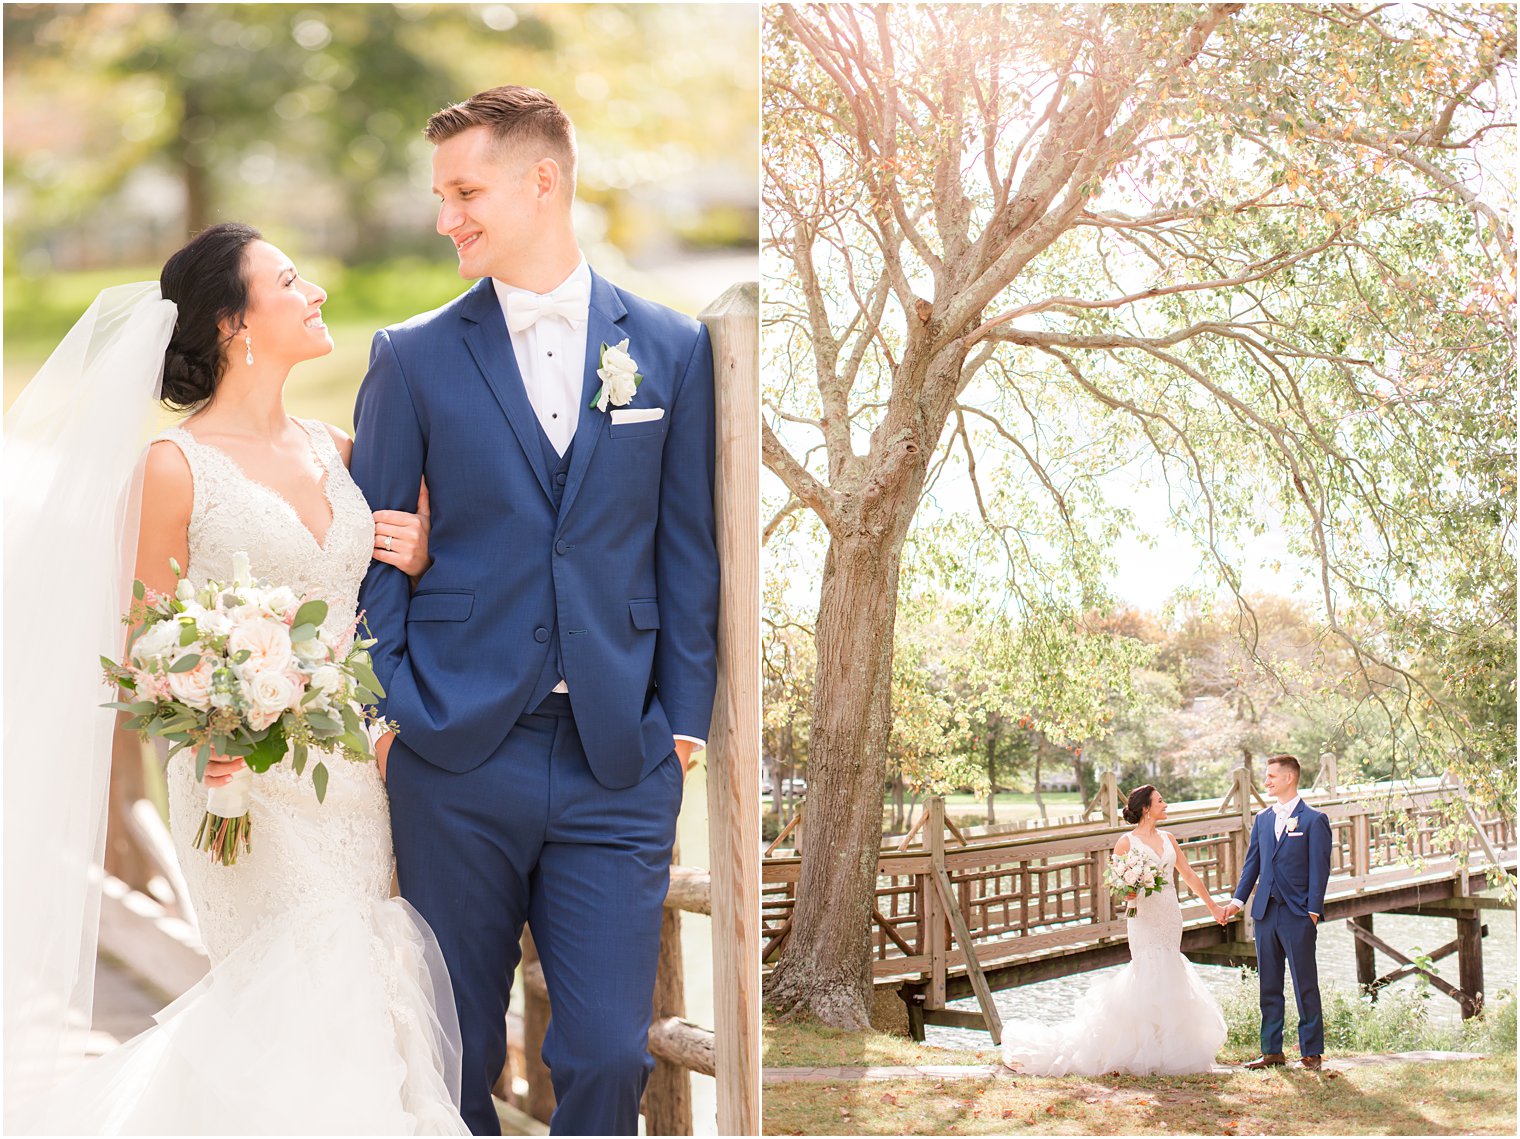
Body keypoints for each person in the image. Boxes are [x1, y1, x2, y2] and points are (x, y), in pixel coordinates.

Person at [3, 222, 468, 1133]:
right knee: (304, 984)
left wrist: (415, 550)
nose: (317, 292)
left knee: (363, 981)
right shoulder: (173, 469)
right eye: (290, 281)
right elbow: (143, 647)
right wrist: (223, 718)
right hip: (238, 782)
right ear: (233, 324)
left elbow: (376, 595)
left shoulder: (340, 448)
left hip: (348, 779)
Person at [350, 86, 719, 1136]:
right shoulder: (409, 355)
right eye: (440, 194)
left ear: (540, 181)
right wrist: (390, 716)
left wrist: (679, 727)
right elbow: (372, 552)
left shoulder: (668, 345)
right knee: (454, 1049)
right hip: (454, 753)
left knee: (606, 1050)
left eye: (463, 190)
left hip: (618, 758)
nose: (444, 216)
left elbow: (687, 551)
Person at [1000, 785, 1228, 1076]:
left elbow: (1189, 875)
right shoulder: (1126, 842)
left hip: (1170, 914)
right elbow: (1118, 883)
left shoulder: (1169, 839)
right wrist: (1129, 892)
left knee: (1170, 966)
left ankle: (1168, 1048)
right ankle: (1142, 1050)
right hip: (1143, 917)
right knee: (1147, 970)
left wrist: (1213, 907)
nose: (1166, 804)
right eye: (1160, 801)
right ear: (1146, 808)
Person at [1220, 753, 1332, 1070]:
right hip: (1265, 913)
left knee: (1304, 983)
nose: (1266, 781)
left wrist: (1312, 911)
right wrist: (1238, 902)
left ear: (1289, 778)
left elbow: (1320, 870)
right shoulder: (1263, 820)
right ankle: (1272, 1051)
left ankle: (1311, 1052)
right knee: (1269, 984)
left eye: (1271, 776)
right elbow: (1251, 866)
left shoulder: (1313, 820)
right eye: (1266, 776)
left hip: (1298, 915)